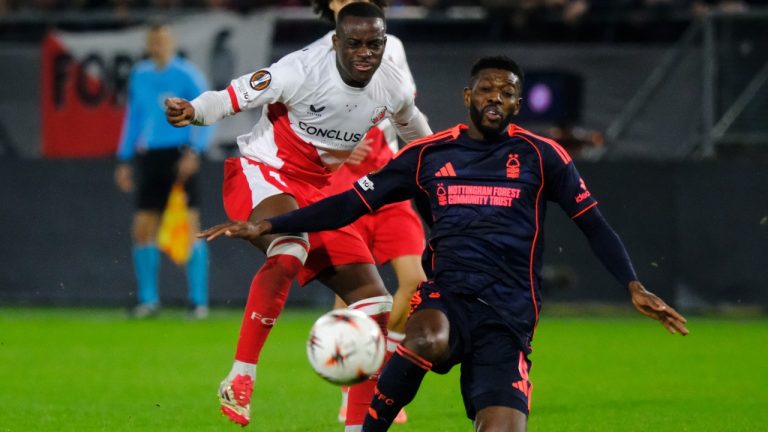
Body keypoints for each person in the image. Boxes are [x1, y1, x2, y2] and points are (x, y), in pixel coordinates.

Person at [198, 55, 690, 432]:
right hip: (449, 297)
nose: (495, 98)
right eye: (486, 89)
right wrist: (270, 226)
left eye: (507, 93)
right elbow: (351, 203)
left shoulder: (543, 156)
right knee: (424, 336)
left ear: (518, 104)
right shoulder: (429, 154)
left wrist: (632, 284)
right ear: (467, 95)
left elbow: (594, 222)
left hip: (510, 316)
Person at [164, 3, 432, 429]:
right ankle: (240, 376)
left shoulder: (392, 86)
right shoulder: (301, 69)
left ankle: (356, 425)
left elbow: (417, 132)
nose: (365, 53)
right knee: (290, 251)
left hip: (320, 191)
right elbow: (231, 96)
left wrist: (448, 167)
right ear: (335, 42)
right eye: (355, 43)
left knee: (375, 304)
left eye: (374, 44)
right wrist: (194, 111)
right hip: (264, 173)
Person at [308, 0, 427, 424]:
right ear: (328, 7)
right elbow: (304, 121)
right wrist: (337, 147)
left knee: (415, 284)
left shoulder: (390, 46)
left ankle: (386, 366)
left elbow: (405, 106)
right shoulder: (318, 53)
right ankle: (353, 388)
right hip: (346, 184)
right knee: (353, 295)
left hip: (390, 180)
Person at [115, 20, 213, 319]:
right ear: (148, 45)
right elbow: (134, 116)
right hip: (151, 157)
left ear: (171, 43)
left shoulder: (186, 74)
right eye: (154, 41)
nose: (158, 46)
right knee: (143, 228)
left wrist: (195, 151)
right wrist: (124, 157)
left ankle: (198, 302)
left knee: (189, 228)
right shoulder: (140, 75)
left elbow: (209, 113)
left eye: (163, 40)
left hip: (180, 155)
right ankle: (149, 300)